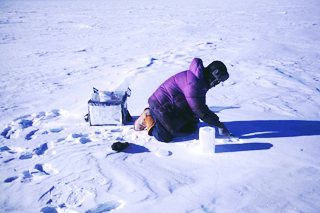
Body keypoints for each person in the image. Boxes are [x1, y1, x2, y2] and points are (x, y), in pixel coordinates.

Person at [134, 58, 230, 142]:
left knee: (190, 128)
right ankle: (148, 115)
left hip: (172, 104)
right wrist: (218, 124)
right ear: (212, 75)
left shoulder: (199, 79)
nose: (217, 83)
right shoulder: (193, 83)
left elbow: (197, 105)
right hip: (160, 104)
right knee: (164, 137)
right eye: (218, 80)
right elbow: (199, 109)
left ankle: (162, 119)